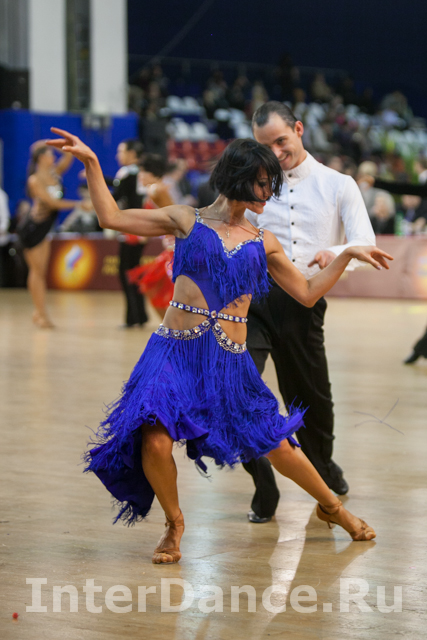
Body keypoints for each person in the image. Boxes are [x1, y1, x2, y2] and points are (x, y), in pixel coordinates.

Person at [47, 128, 392, 565]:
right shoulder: (185, 220)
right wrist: (93, 164)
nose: (269, 193)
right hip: (173, 354)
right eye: (262, 183)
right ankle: (174, 523)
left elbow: (306, 293)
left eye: (271, 184)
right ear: (238, 178)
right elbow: (111, 217)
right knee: (154, 439)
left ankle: (333, 508)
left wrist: (344, 256)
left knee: (278, 445)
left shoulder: (263, 242)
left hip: (229, 363)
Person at [244, 102, 376, 523]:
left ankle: (323, 466)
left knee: (312, 401)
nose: (275, 154)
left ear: (299, 129)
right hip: (250, 302)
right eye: (265, 146)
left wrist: (336, 253)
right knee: (237, 391)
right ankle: (263, 483)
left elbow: (365, 242)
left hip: (304, 302)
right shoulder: (252, 184)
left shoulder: (338, 185)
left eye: (281, 141)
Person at [19, 142, 80, 328]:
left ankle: (39, 313)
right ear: (41, 158)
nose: (53, 157)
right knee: (37, 272)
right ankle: (41, 313)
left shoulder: (55, 173)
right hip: (34, 227)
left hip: (46, 226)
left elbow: (68, 156)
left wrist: (53, 144)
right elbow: (52, 204)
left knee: (40, 272)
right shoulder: (34, 180)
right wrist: (78, 204)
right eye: (50, 154)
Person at [113, 139, 148, 328]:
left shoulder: (127, 173)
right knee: (134, 272)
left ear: (132, 154)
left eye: (121, 151)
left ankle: (132, 317)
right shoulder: (140, 174)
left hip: (131, 230)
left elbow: (116, 195)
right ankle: (139, 315)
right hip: (142, 228)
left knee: (126, 273)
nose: (118, 155)